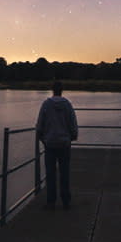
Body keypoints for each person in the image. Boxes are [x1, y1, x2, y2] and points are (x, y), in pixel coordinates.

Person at [36, 81, 78, 209]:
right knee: (64, 173)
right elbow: (73, 123)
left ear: (52, 90)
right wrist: (72, 136)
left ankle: (51, 201)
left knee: (50, 173)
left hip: (50, 144)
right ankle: (66, 201)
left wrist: (42, 137)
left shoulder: (46, 104)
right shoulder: (67, 105)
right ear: (62, 90)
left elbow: (40, 124)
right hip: (64, 143)